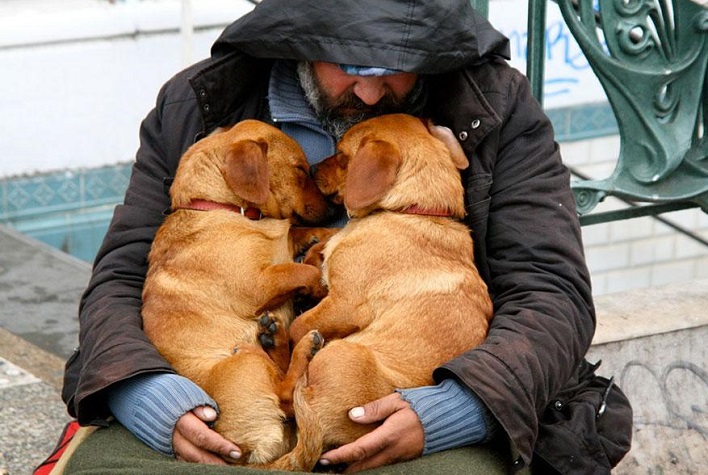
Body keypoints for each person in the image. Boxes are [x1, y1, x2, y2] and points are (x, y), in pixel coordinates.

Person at [59, 0, 633, 473]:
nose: (369, 93)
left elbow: (551, 291)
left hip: (414, 394)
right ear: (300, 36)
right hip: (212, 384)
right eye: (350, 67)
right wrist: (143, 392)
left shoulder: (494, 107)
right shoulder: (201, 103)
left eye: (396, 68)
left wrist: (461, 407)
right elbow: (121, 274)